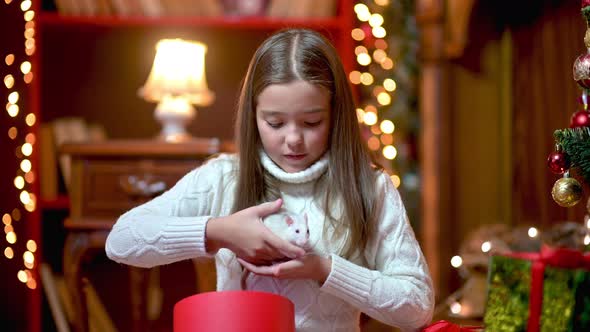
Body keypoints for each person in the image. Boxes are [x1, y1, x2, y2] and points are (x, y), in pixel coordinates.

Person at [106, 28, 434, 331]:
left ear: (336, 115)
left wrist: (324, 268)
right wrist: (219, 232)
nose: (293, 139)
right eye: (275, 123)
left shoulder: (369, 187)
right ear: (254, 115)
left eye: (311, 122)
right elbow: (121, 241)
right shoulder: (223, 177)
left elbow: (418, 307)